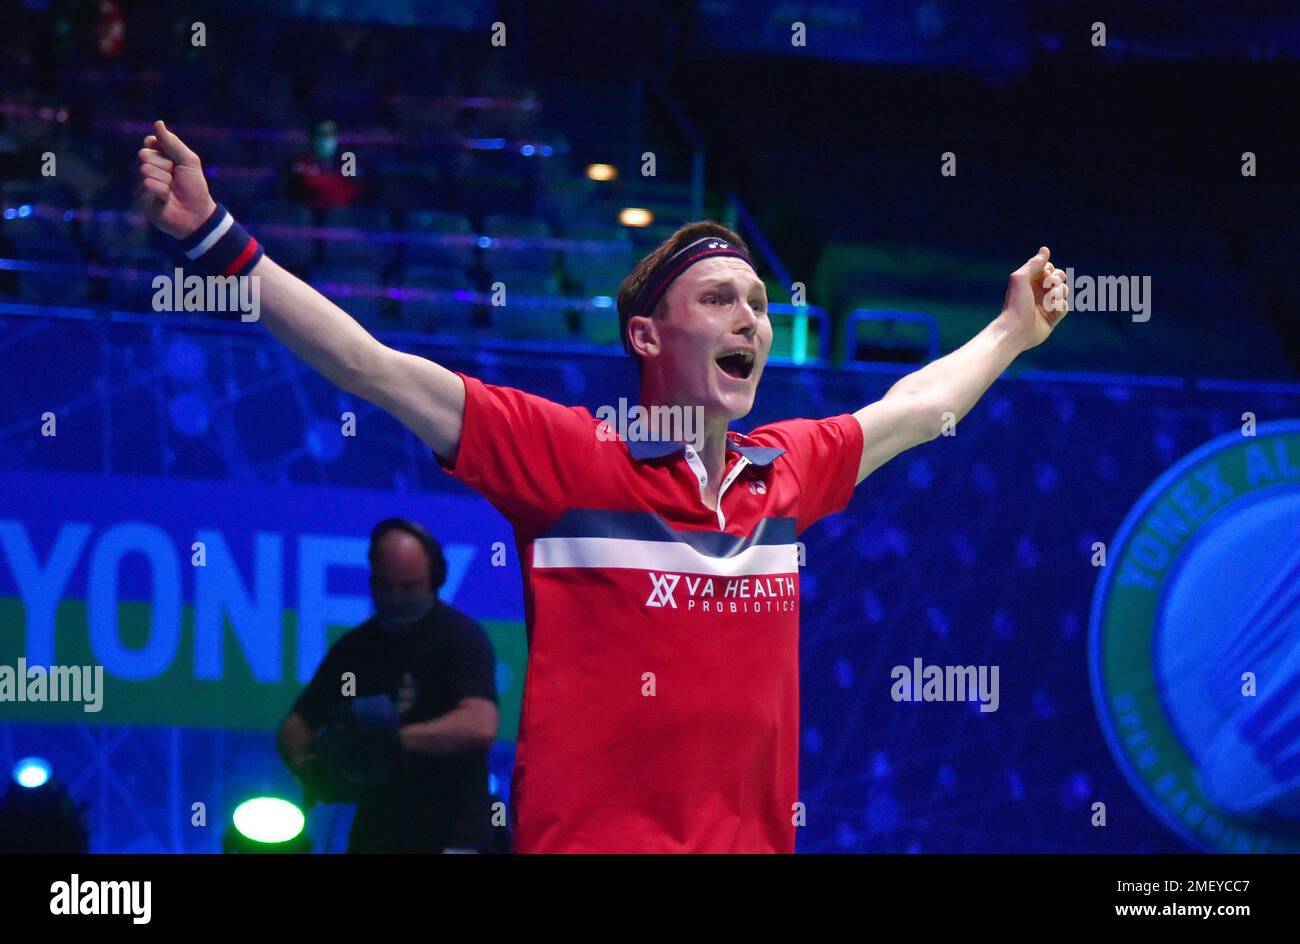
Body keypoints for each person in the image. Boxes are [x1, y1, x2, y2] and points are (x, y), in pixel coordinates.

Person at [135, 120, 1070, 852]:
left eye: (756, 302)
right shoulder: (567, 457)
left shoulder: (781, 472)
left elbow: (913, 407)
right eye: (718, 299)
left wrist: (1010, 334)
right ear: (648, 339)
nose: (750, 315)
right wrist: (218, 241)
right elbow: (371, 367)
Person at [276, 518, 500, 853]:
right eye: (385, 586)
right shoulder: (356, 648)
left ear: (435, 580)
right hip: (377, 834)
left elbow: (480, 724)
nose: (396, 598)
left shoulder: (460, 639)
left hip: (453, 835)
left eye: (409, 588)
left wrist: (394, 741)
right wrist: (310, 768)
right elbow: (296, 724)